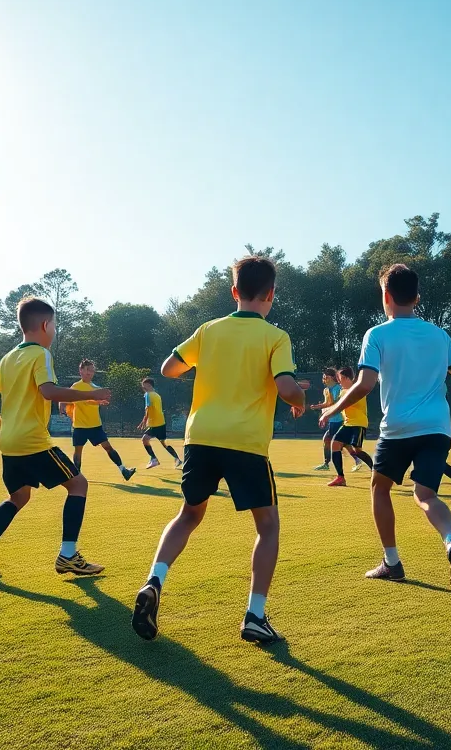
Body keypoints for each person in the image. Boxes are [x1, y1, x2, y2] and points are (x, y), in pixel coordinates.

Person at [130, 256, 306, 645]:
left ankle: (154, 580)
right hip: (244, 441)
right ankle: (255, 616)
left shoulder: (208, 330)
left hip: (200, 437)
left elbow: (168, 368)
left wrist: (210, 363)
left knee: (188, 515)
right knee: (268, 527)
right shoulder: (276, 337)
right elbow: (286, 386)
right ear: (271, 294)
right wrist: (300, 400)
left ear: (234, 292)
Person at [321, 263, 451, 596]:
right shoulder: (438, 334)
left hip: (397, 430)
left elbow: (364, 384)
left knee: (379, 489)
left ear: (386, 296)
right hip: (436, 428)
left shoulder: (377, 335)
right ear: (417, 297)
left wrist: (333, 407)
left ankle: (392, 562)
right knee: (426, 495)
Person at [0, 298, 113, 579]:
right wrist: (91, 394)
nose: (54, 330)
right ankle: (68, 555)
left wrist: (1, 424)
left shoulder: (8, 357)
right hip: (33, 441)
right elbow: (49, 391)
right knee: (78, 484)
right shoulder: (40, 354)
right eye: (54, 324)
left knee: (18, 496)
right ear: (45, 325)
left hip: (9, 442)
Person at [66, 358, 135, 479]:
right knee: (78, 452)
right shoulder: (75, 386)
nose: (90, 373)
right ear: (81, 370)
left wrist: (101, 401)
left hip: (95, 426)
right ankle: (76, 478)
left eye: (92, 371)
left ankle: (124, 470)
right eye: (87, 370)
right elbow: (75, 400)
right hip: (79, 426)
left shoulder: (96, 388)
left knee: (108, 448)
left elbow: (95, 400)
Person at [323, 367, 375, 486]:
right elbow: (337, 406)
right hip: (347, 423)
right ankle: (340, 478)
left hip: (358, 423)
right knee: (335, 444)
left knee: (357, 451)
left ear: (346, 378)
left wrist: (326, 414)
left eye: (339, 378)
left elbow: (344, 404)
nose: (338, 380)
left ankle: (376, 470)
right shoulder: (342, 391)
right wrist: (325, 414)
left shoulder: (357, 389)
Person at [138, 377, 182, 470]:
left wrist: (144, 421)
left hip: (155, 424)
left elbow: (148, 409)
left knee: (145, 440)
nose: (143, 387)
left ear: (149, 385)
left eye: (144, 385)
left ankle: (154, 459)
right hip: (161, 422)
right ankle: (177, 458)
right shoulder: (157, 395)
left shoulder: (148, 395)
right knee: (163, 443)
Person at [308, 369, 344, 472]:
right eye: (323, 377)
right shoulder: (326, 390)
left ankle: (358, 460)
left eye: (326, 377)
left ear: (332, 377)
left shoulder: (339, 388)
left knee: (332, 441)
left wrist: (325, 412)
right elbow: (327, 404)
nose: (324, 379)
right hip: (332, 420)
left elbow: (337, 404)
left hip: (340, 420)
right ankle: (326, 463)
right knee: (331, 441)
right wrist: (318, 406)